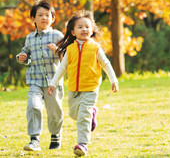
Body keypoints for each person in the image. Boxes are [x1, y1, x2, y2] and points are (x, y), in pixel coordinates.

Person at [47, 10, 119, 157]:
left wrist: (113, 80)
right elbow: (62, 68)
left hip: (90, 88)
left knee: (83, 117)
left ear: (92, 30)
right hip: (74, 88)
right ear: (73, 32)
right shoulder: (70, 49)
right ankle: (93, 113)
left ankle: (83, 144)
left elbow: (106, 64)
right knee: (74, 114)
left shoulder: (95, 48)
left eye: (87, 26)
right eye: (80, 27)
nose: (84, 29)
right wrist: (53, 83)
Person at [16, 0, 65, 152]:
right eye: (40, 15)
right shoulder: (30, 38)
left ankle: (56, 135)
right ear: (33, 19)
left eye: (48, 15)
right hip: (35, 80)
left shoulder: (57, 35)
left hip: (53, 81)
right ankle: (34, 139)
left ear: (53, 19)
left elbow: (66, 57)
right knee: (33, 105)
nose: (44, 18)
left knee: (54, 111)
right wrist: (22, 57)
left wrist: (56, 50)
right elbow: (26, 53)